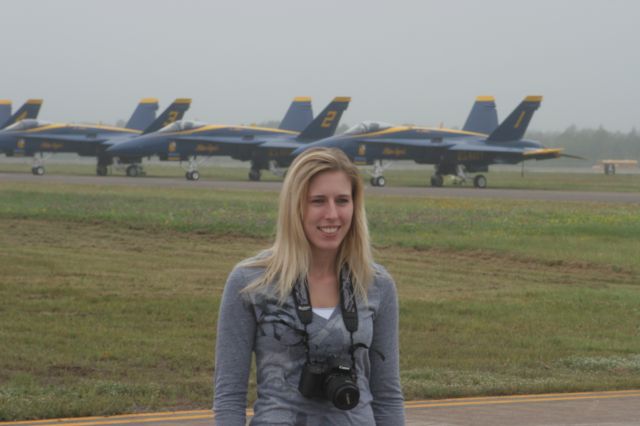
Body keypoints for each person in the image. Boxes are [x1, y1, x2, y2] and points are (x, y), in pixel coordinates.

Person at [214, 148, 404, 425]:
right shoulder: (251, 283)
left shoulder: (376, 285)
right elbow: (229, 395)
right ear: (295, 207)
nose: (332, 214)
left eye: (342, 200)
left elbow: (387, 395)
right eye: (317, 201)